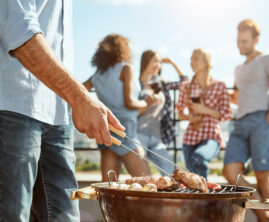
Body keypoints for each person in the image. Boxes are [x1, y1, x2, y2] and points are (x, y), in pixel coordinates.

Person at [0, 1, 124, 221]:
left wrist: (75, 99)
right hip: (11, 105)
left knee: (66, 217)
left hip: (58, 112)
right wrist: (79, 97)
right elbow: (17, 29)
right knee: (11, 215)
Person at [222, 19, 269, 222]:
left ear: (256, 39)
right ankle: (266, 217)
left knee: (262, 179)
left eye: (245, 41)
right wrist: (223, 94)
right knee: (230, 173)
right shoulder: (238, 69)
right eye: (238, 41)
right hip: (240, 122)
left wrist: (267, 120)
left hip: (260, 120)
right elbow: (238, 97)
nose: (240, 45)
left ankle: (268, 219)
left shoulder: (268, 59)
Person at [83, 34, 151, 181]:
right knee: (147, 184)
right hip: (125, 129)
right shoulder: (126, 68)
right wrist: (147, 102)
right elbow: (130, 103)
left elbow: (81, 91)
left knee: (109, 189)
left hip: (105, 128)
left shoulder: (97, 75)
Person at [177, 48, 232, 180]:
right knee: (191, 179)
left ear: (207, 62)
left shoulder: (219, 86)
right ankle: (203, 196)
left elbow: (227, 114)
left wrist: (205, 110)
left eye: (196, 58)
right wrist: (188, 117)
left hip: (211, 137)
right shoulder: (185, 86)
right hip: (190, 138)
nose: (192, 62)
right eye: (191, 59)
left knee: (199, 158)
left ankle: (205, 193)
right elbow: (179, 113)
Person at [137, 50, 187, 175]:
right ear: (146, 62)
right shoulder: (136, 85)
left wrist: (172, 63)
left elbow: (184, 83)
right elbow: (130, 112)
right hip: (138, 135)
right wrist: (148, 103)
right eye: (155, 61)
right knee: (143, 174)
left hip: (157, 136)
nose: (158, 65)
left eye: (160, 62)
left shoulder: (161, 84)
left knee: (170, 173)